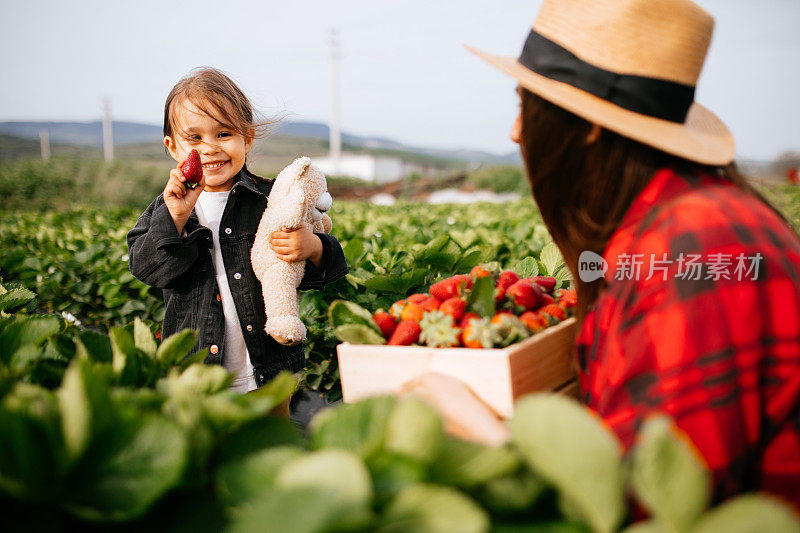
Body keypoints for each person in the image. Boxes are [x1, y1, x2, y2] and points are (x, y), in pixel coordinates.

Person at [469, 0, 800, 506]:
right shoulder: (679, 223)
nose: (516, 131)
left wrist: (482, 436)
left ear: (588, 126)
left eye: (525, 103)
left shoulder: (693, 250)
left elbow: (653, 499)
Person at [126, 67, 348, 400]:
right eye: (195, 138)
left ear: (247, 138)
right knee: (210, 447)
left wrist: (313, 247)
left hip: (268, 363)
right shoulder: (167, 210)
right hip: (195, 369)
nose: (210, 148)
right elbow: (147, 268)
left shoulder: (273, 200)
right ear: (173, 147)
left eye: (223, 134)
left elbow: (323, 271)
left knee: (274, 439)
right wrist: (176, 216)